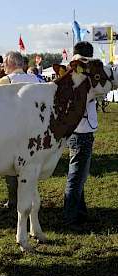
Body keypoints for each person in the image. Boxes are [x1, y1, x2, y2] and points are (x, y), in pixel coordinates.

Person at [0, 51, 39, 208]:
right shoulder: (35, 79)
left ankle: (14, 201)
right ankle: (30, 199)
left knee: (12, 170)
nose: (3, 67)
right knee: (30, 169)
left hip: (13, 131)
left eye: (4, 64)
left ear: (11, 64)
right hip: (34, 130)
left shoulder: (7, 80)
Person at [63, 41, 96, 226]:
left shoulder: (72, 70)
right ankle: (70, 215)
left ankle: (79, 211)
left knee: (79, 174)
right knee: (76, 175)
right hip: (82, 129)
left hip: (77, 129)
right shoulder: (80, 73)